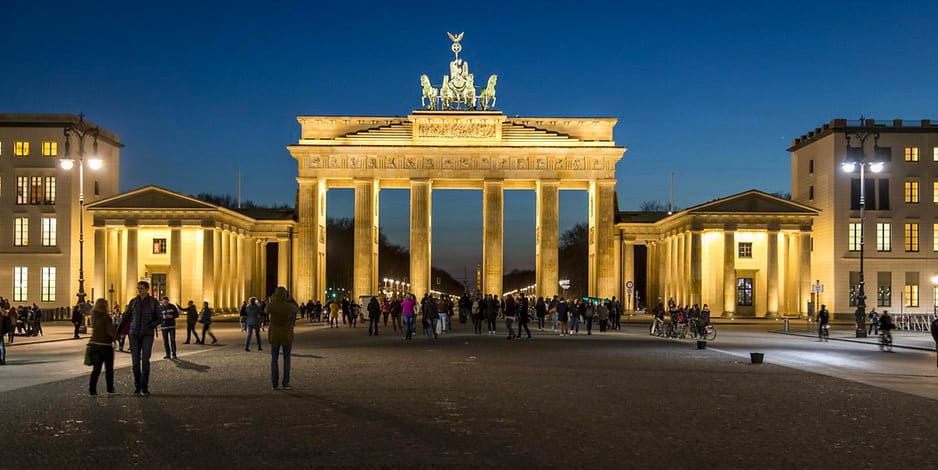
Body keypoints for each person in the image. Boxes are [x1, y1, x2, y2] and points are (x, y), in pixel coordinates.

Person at [116, 281, 163, 396]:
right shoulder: (133, 302)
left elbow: (160, 318)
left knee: (145, 361)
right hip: (134, 334)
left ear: (147, 289)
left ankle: (144, 387)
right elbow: (126, 317)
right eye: (138, 288)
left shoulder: (153, 302)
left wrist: (151, 325)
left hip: (147, 334)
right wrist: (117, 332)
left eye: (141, 288)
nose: (139, 291)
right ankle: (137, 386)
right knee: (135, 363)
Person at [266, 286, 297, 390]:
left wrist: (273, 299)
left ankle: (274, 384)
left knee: (274, 359)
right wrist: (291, 298)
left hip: (274, 334)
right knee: (286, 359)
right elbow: (297, 309)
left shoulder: (272, 305)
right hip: (286, 334)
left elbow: (266, 310)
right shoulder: (289, 306)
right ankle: (285, 383)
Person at [88, 298, 117, 395]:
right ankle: (110, 388)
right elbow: (110, 331)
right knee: (109, 369)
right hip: (106, 346)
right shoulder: (106, 317)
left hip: (95, 345)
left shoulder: (94, 316)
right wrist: (116, 337)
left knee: (96, 369)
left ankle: (92, 390)